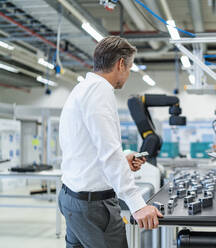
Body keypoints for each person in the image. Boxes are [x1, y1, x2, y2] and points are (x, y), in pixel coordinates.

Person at [58, 36, 162, 248]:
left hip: (71, 198)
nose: (128, 74)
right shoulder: (100, 90)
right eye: (130, 67)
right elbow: (109, 152)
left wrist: (123, 161)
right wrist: (137, 204)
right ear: (120, 64)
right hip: (94, 207)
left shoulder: (81, 89)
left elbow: (85, 149)